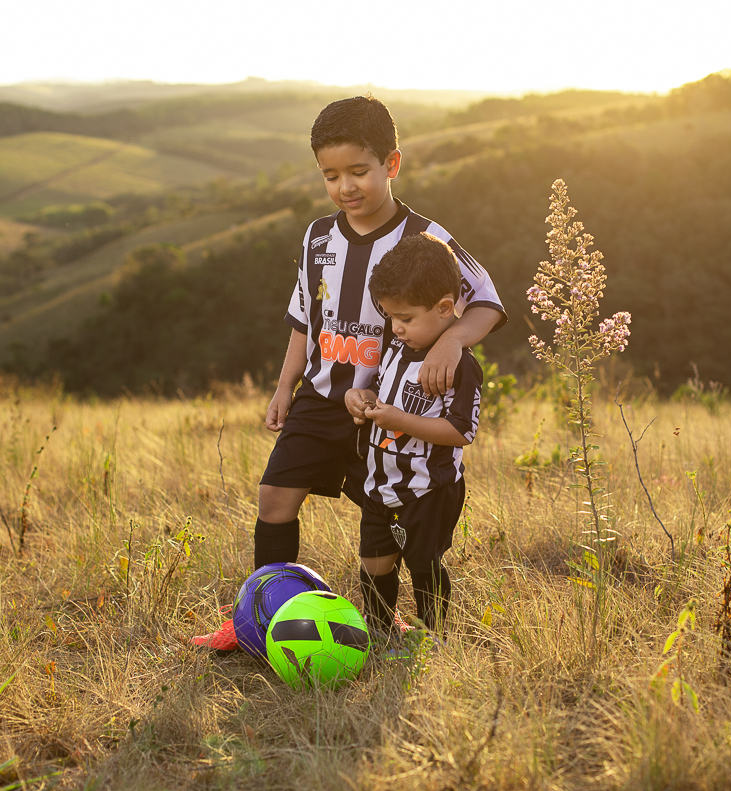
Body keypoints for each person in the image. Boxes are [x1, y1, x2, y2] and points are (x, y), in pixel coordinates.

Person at [195, 95, 504, 651]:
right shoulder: (317, 238)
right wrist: (283, 386)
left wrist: (451, 342)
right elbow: (303, 322)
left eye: (358, 172)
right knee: (273, 499)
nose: (345, 187)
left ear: (392, 164)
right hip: (320, 399)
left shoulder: (427, 238)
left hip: (389, 404)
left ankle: (395, 625)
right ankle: (262, 623)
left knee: (388, 527)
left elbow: (487, 302)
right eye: (330, 176)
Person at [344, 233, 481, 639]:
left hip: (428, 489)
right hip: (379, 483)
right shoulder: (397, 348)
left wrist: (401, 421)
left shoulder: (458, 365)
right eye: (389, 317)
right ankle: (381, 630)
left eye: (405, 318)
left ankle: (433, 634)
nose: (395, 327)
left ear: (443, 308)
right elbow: (384, 396)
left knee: (423, 562)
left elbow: (460, 431)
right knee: (373, 561)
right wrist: (362, 397)